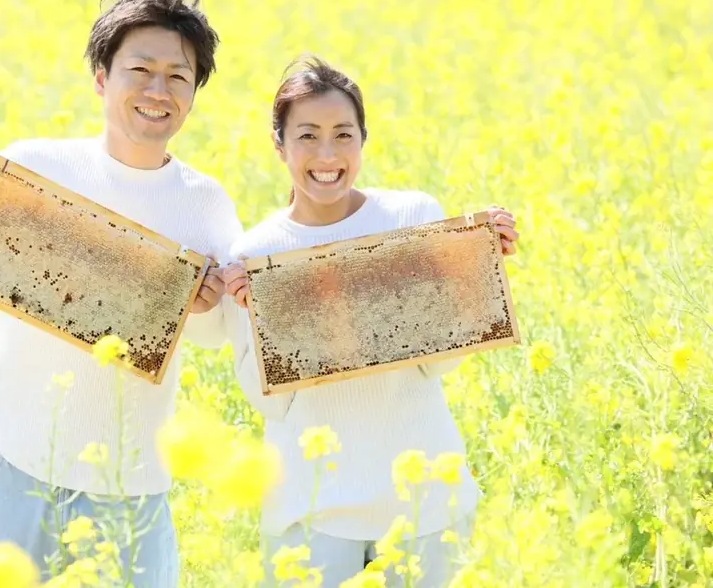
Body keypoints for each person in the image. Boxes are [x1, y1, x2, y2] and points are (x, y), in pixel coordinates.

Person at [0, 0, 242, 587]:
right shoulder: (35, 168)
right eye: (141, 69)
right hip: (15, 466)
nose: (158, 89)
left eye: (178, 76)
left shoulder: (205, 204)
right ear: (102, 77)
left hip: (128, 487)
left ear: (193, 95)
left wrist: (207, 307)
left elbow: (214, 337)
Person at [219, 56, 520, 588]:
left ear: (363, 139)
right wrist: (262, 319)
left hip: (426, 502)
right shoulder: (256, 254)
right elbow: (269, 403)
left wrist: (474, 267)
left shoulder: (410, 217)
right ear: (279, 144)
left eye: (343, 134)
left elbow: (437, 365)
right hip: (313, 515)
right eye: (307, 135)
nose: (327, 155)